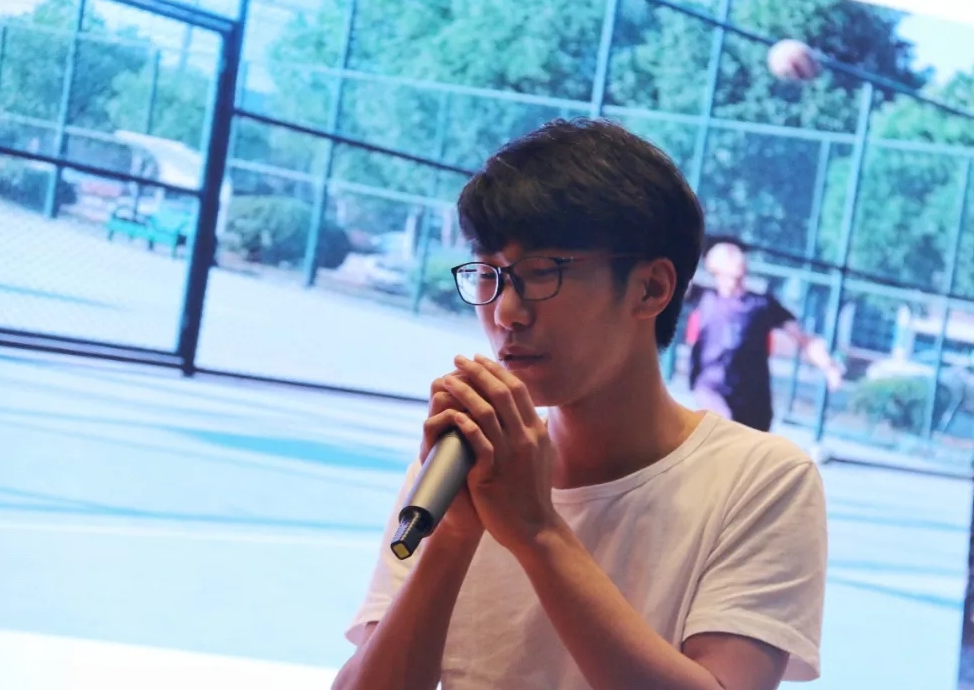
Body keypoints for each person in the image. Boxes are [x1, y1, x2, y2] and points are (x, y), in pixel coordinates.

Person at [334, 118, 827, 690]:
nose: (506, 312)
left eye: (542, 273)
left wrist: (538, 533)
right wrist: (453, 534)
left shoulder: (763, 480)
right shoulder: (464, 470)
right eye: (489, 275)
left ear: (651, 288)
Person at [686, 240, 844, 432]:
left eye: (736, 253)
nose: (736, 257)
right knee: (724, 427)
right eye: (728, 254)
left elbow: (804, 340)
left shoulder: (761, 305)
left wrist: (829, 366)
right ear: (713, 266)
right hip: (712, 388)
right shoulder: (703, 297)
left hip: (754, 399)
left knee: (749, 444)